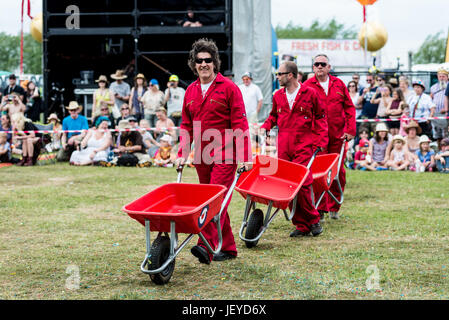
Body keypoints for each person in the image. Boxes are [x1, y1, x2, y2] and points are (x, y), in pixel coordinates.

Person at [176, 38, 252, 264]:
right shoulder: (190, 90)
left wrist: (245, 156)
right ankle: (228, 248)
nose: (204, 64)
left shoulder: (229, 88)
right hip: (201, 156)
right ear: (194, 63)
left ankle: (205, 247)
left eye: (208, 60)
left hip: (225, 154)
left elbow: (240, 123)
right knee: (215, 199)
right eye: (199, 61)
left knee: (213, 201)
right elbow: (186, 125)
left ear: (215, 62)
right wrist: (182, 153)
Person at [262, 60, 328, 236]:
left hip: (304, 144)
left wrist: (321, 141)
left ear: (290, 75)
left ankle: (313, 220)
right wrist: (265, 127)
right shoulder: (278, 96)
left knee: (303, 183)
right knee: (288, 184)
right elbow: (273, 116)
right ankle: (301, 225)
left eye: (280, 74)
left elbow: (321, 117)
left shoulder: (310, 93)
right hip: (284, 145)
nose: (277, 77)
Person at [303, 54, 356, 220]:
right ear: (313, 68)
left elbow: (349, 108)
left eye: (323, 64)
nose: (319, 66)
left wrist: (350, 130)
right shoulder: (307, 86)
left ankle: (334, 207)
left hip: (338, 136)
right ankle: (320, 207)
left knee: (338, 172)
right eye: (316, 64)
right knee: (318, 172)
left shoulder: (339, 84)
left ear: (328, 67)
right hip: (317, 137)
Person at [430, 67, 449, 148]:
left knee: (445, 135)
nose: (441, 78)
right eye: (440, 76)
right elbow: (430, 99)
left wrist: (446, 109)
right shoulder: (433, 87)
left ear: (447, 77)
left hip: (445, 114)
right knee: (437, 135)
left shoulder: (448, 86)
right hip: (436, 114)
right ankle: (439, 150)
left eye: (443, 76)